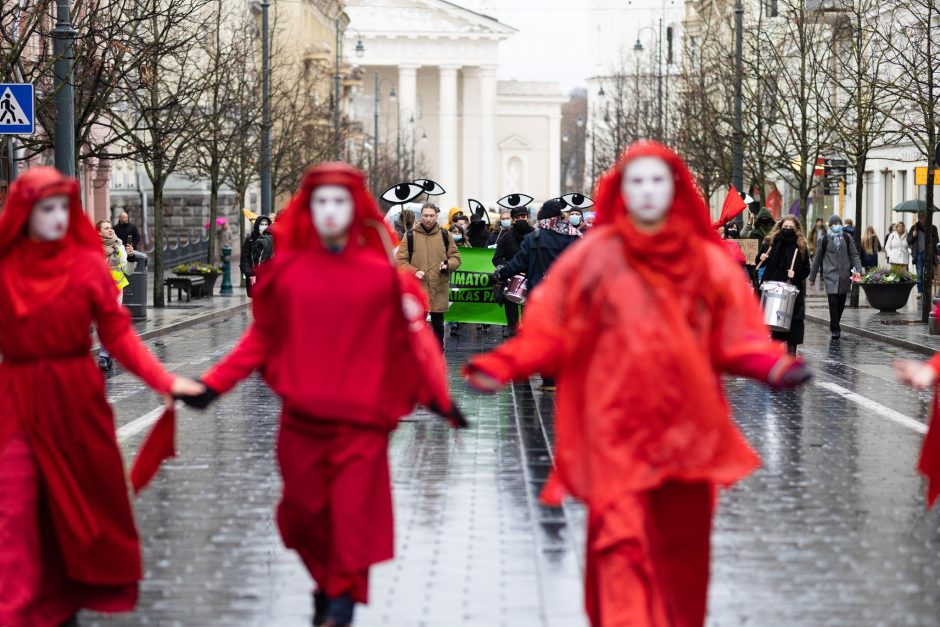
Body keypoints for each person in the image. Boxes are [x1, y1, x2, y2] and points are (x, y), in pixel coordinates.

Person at [465, 141, 810, 627]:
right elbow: (551, 325)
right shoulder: (592, 261)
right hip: (614, 432)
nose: (647, 192)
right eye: (637, 182)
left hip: (686, 435)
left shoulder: (704, 263)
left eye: (658, 182)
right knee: (617, 549)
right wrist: (503, 364)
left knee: (681, 559)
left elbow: (734, 333)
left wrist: (772, 365)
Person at [178, 163, 465, 627]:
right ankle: (330, 583)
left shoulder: (384, 279)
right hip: (301, 423)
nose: (331, 211)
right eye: (321, 202)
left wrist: (439, 397)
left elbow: (415, 342)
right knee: (302, 515)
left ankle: (340, 597)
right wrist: (213, 385)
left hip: (361, 424)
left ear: (355, 212)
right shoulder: (288, 276)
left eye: (340, 202)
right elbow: (260, 340)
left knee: (352, 514)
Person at [0, 167, 202, 627]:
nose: (54, 218)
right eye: (43, 208)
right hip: (17, 401)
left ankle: (63, 603)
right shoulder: (5, 265)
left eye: (61, 208)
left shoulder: (88, 265)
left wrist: (163, 380)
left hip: (75, 401)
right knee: (15, 504)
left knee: (75, 509)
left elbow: (119, 336)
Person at [495, 198, 581, 390]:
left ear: (543, 215)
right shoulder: (574, 236)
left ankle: (549, 380)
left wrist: (501, 273)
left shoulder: (534, 237)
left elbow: (518, 263)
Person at [397, 203, 461, 347]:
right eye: (425, 215)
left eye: (431, 215)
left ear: (436, 216)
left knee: (438, 325)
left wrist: (447, 264)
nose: (428, 219)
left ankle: (438, 354)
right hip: (418, 289)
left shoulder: (446, 235)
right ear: (421, 216)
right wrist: (414, 271)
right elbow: (400, 261)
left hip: (438, 287)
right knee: (417, 325)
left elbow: (456, 258)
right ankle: (416, 354)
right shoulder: (410, 236)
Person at [757, 216, 811, 354]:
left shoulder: (801, 246)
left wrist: (796, 275)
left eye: (790, 228)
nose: (787, 230)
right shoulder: (771, 242)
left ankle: (791, 363)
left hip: (792, 294)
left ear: (796, 229)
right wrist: (761, 258)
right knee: (775, 335)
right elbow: (758, 264)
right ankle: (776, 364)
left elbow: (806, 269)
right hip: (773, 293)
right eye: (785, 227)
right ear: (780, 227)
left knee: (792, 335)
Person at [809, 215, 862, 339]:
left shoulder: (847, 238)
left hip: (844, 275)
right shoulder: (824, 239)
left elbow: (854, 255)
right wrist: (812, 277)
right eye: (835, 224)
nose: (838, 225)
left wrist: (858, 270)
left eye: (839, 223)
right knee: (833, 302)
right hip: (830, 275)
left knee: (841, 303)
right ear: (830, 226)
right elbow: (817, 259)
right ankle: (835, 329)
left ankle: (835, 322)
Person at [492, 207, 534, 337]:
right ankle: (513, 333)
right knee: (512, 319)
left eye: (523, 217)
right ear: (513, 219)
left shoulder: (535, 234)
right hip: (511, 280)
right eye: (518, 218)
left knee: (529, 316)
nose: (521, 220)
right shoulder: (505, 237)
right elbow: (496, 259)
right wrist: (511, 266)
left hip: (530, 278)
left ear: (527, 218)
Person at [97, 220, 131, 371]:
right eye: (106, 228)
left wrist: (131, 258)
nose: (110, 230)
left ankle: (104, 355)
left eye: (111, 228)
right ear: (98, 232)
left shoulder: (119, 245)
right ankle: (108, 352)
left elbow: (128, 270)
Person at [907, 212, 938, 298]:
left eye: (922, 216)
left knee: (928, 274)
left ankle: (927, 292)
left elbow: (936, 241)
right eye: (919, 216)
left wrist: (936, 255)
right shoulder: (914, 227)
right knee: (920, 274)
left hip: (929, 254)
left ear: (926, 216)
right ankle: (920, 292)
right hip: (919, 254)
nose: (921, 217)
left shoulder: (932, 228)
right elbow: (909, 241)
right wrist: (913, 236)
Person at [240, 216, 270, 296]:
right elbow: (245, 258)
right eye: (262, 224)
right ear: (257, 225)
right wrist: (249, 274)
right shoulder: (250, 239)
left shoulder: (270, 238)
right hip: (254, 276)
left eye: (266, 224)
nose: (264, 226)